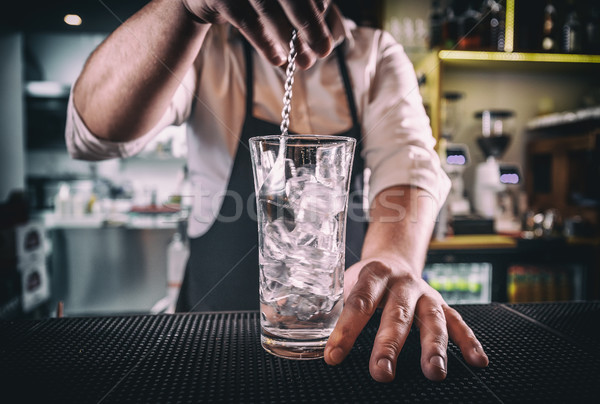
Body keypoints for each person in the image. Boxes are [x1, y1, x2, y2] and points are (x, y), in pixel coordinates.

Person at [66, 0, 489, 383]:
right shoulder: (205, 46)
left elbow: (409, 164)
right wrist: (185, 9)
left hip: (338, 337)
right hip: (210, 340)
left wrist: (393, 256)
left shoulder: (375, 52)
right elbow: (93, 135)